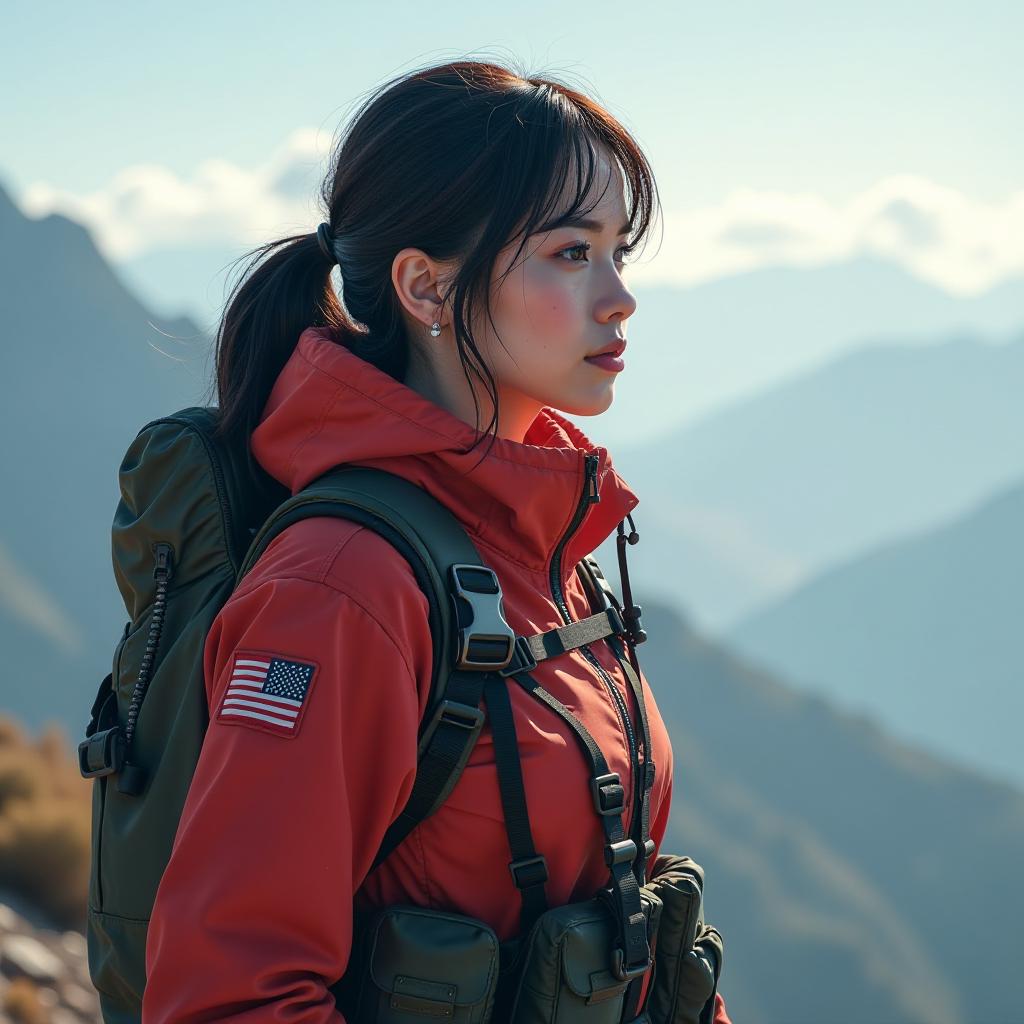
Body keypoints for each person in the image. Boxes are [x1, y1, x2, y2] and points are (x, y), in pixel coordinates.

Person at [141, 58, 733, 1023]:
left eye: (618, 248)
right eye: (571, 253)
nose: (620, 296)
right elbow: (228, 994)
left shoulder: (541, 545)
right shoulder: (342, 587)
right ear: (426, 286)